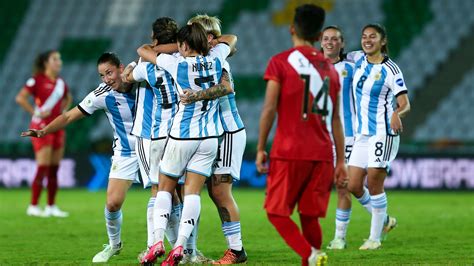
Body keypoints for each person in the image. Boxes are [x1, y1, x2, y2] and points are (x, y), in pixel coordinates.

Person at [22, 52, 139, 263]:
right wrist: (42, 131)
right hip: (125, 152)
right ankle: (114, 244)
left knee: (167, 197)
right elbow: (68, 115)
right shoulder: (102, 94)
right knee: (112, 203)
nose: (106, 79)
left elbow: (151, 54)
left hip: (153, 147)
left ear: (121, 68)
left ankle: (182, 249)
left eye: (110, 73)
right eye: (102, 75)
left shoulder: (142, 78)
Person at [137, 23, 237, 265]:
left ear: (183, 45)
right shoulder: (216, 57)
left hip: (182, 135)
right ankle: (181, 246)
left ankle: (158, 242)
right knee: (193, 193)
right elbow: (231, 38)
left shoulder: (176, 63)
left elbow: (143, 50)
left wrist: (175, 47)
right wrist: (209, 43)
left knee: (164, 188)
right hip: (210, 138)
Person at [256, 4, 347, 266]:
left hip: (289, 151)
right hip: (322, 154)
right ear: (320, 36)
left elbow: (269, 108)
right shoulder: (331, 71)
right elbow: (336, 119)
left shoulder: (281, 62)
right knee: (309, 217)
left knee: (276, 213)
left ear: (292, 28)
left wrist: (261, 147)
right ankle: (312, 259)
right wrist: (340, 161)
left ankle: (310, 254)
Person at [121, 17, 185, 261]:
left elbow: (127, 79)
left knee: (157, 191)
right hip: (178, 134)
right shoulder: (183, 60)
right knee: (178, 191)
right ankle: (185, 248)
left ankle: (153, 244)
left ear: (155, 40)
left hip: (151, 134)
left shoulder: (145, 64)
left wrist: (130, 66)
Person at [186, 14, 248, 264]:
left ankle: (237, 250)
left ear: (209, 38)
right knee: (206, 192)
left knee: (221, 192)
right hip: (211, 133)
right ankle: (189, 249)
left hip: (228, 131)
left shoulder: (216, 59)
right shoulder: (199, 60)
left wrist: (196, 96)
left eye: (194, 32)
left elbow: (226, 88)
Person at [346, 24, 410, 250]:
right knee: (353, 184)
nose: (367, 40)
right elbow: (337, 56)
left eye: (373, 37)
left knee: (374, 180)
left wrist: (396, 112)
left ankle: (374, 238)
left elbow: (405, 104)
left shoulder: (391, 70)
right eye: (364, 36)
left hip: (383, 132)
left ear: (383, 41)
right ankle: (384, 220)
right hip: (361, 134)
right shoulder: (357, 58)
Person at [16, 50, 72, 218]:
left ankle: (51, 206)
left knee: (54, 168)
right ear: (46, 63)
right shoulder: (37, 80)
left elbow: (68, 98)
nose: (59, 62)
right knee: (43, 166)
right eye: (55, 59)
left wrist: (64, 110)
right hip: (40, 126)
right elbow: (21, 98)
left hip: (57, 127)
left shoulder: (61, 83)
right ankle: (33, 205)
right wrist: (36, 112)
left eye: (60, 59)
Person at [320, 26, 356, 250]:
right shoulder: (312, 68)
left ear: (342, 44)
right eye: (326, 39)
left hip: (348, 135)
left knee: (343, 186)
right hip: (319, 136)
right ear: (320, 42)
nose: (330, 42)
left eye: (335, 39)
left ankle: (339, 238)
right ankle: (382, 216)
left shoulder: (352, 67)